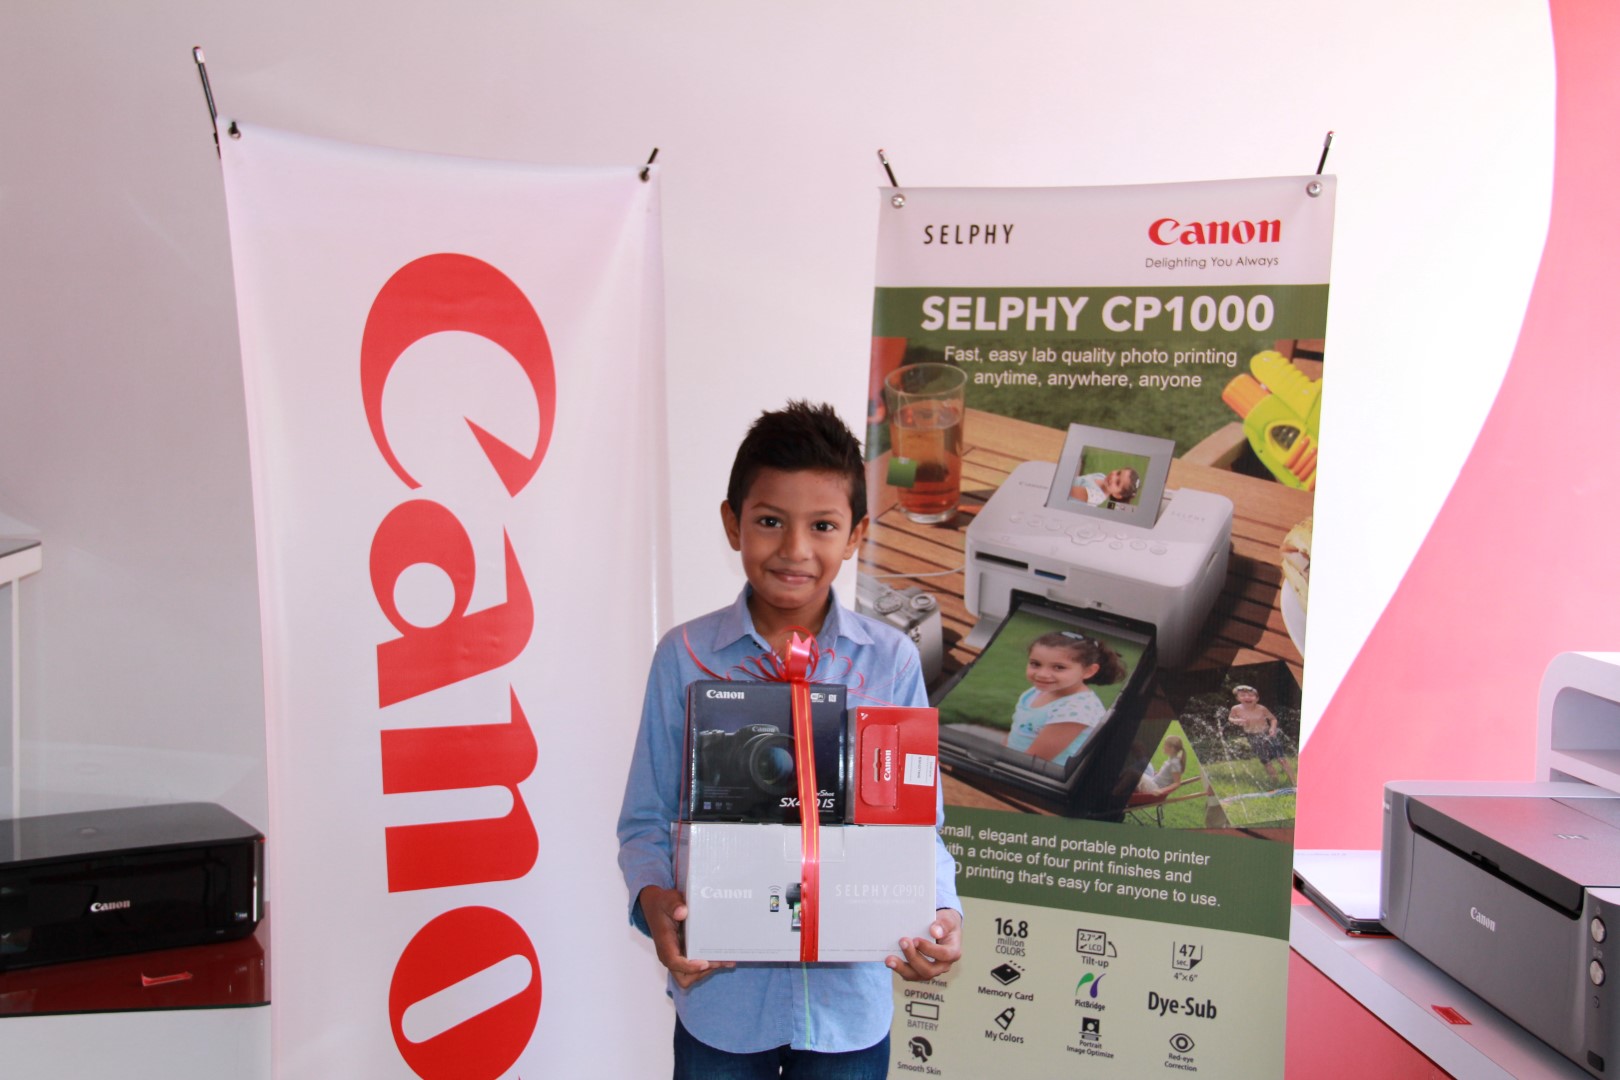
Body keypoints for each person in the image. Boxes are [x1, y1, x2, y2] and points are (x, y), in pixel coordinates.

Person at [617, 401, 963, 1079]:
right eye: (770, 521)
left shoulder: (889, 661)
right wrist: (653, 900)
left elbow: (916, 824)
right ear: (733, 523)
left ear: (857, 534)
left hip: (848, 1009)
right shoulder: (685, 657)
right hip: (722, 1000)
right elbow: (645, 819)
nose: (795, 549)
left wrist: (942, 909)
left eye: (823, 525)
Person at [1005, 630, 1126, 765]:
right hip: (1012, 764)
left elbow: (1034, 760)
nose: (1042, 674)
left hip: (1036, 773)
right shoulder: (1035, 692)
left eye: (1059, 667)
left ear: (1088, 671)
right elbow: (1013, 735)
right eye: (1035, 664)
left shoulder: (1076, 710)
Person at [1225, 684, 1296, 787]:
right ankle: (1276, 783)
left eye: (1251, 695)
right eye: (1243, 695)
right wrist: (1237, 720)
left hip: (1267, 734)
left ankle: (1295, 783)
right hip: (1252, 736)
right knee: (1266, 762)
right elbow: (1230, 718)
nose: (1247, 698)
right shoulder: (1236, 709)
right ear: (1238, 698)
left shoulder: (1261, 708)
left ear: (1257, 698)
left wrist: (1272, 728)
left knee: (1281, 759)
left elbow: (1273, 719)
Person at [1071, 466, 1140, 506]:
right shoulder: (1101, 476)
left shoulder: (1096, 496)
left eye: (1117, 483)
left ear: (1117, 495)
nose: (1113, 477)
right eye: (1118, 473)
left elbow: (1069, 491)